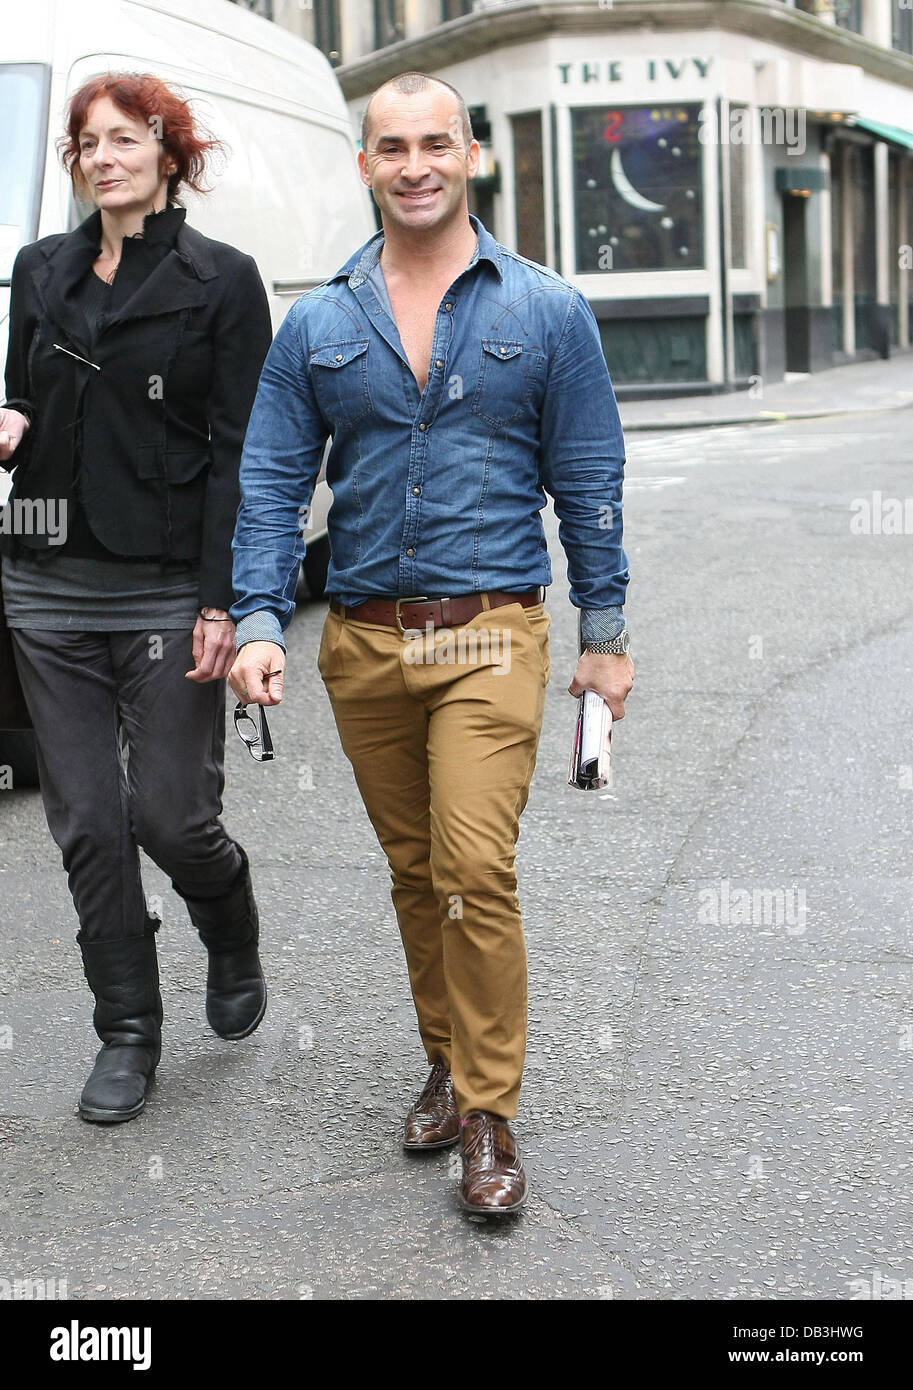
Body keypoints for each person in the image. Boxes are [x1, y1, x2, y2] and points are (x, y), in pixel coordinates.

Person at [229, 71, 633, 1215]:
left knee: (471, 865)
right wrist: (259, 615)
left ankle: (491, 1112)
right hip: (362, 644)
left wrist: (603, 637)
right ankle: (447, 1063)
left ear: (469, 158)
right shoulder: (317, 320)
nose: (414, 163)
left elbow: (589, 482)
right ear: (364, 165)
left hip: (488, 634)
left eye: (435, 143)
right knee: (416, 875)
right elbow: (269, 481)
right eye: (391, 145)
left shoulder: (545, 309)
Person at [0, 73, 272, 1124]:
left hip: (164, 585)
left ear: (170, 154)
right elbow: (32, 389)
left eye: (126, 138)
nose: (103, 155)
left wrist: (224, 602)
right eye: (88, 141)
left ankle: (228, 922)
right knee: (87, 822)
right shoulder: (41, 269)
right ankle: (127, 1028)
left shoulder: (221, 281)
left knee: (169, 813)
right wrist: (14, 419)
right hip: (43, 575)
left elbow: (240, 453)